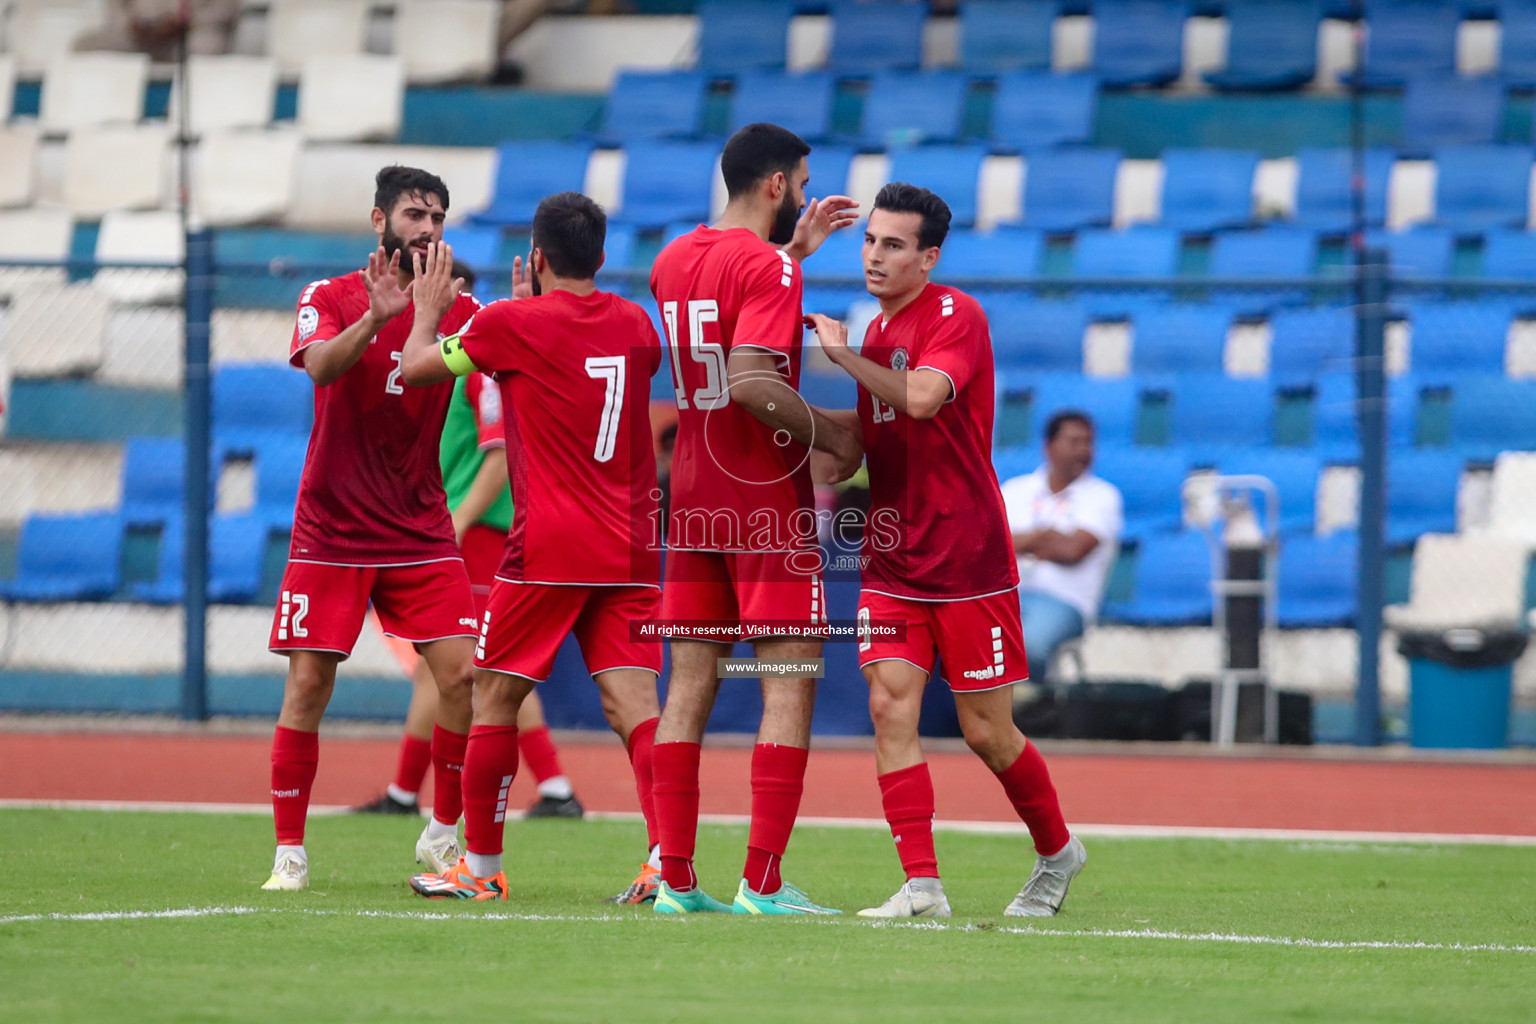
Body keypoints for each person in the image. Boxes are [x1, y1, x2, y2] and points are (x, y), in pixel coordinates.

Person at [806, 182, 1085, 920]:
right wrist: (792, 418)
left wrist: (838, 360)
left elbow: (923, 399)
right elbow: (872, 440)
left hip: (967, 562)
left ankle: (1058, 852)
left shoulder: (958, 315)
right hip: (895, 563)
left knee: (986, 732)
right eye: (869, 240)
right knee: (888, 706)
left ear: (928, 258)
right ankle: (922, 884)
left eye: (893, 245)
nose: (874, 255)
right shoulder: (870, 340)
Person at [399, 192, 665, 902]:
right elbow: (574, 373)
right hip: (632, 544)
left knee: (496, 697)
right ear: (603, 257)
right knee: (636, 706)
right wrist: (526, 319)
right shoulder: (637, 323)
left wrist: (431, 309)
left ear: (538, 257)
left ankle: (480, 871)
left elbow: (417, 367)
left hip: (549, 545)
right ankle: (668, 863)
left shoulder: (509, 325)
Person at [647, 122, 862, 916]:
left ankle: (675, 880)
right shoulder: (767, 266)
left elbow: (719, 319)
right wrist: (834, 434)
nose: (804, 196)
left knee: (689, 685)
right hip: (762, 499)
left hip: (695, 492)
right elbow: (747, 378)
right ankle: (763, 885)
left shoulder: (674, 258)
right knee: (790, 680)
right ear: (777, 184)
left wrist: (794, 254)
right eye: (801, 183)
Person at [261, 166, 484, 892]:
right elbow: (321, 369)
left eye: (439, 218)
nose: (428, 228)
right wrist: (376, 317)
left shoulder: (464, 308)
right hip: (332, 531)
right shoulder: (328, 297)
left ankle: (441, 832)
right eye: (415, 214)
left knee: (463, 676)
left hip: (420, 530)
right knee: (309, 687)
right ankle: (289, 852)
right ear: (378, 219)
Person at [355, 261, 584, 822]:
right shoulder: (445, 358)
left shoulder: (475, 357)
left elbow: (498, 459)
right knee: (465, 666)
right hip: (467, 528)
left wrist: (452, 529)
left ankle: (547, 788)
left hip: (480, 533)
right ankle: (412, 793)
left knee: (474, 668)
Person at [999, 411, 1123, 686]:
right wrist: (1043, 537)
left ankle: (1028, 715)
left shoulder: (1103, 496)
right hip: (1006, 595)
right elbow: (989, 547)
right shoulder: (1015, 490)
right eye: (1075, 442)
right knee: (962, 637)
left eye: (1089, 443)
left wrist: (1020, 543)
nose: (1084, 450)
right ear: (1048, 446)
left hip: (1065, 602)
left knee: (1029, 645)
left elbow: (1072, 551)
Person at [76, 0, 238, 61]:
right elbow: (115, 8)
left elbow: (226, 9)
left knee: (208, 49)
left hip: (187, 37)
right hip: (138, 37)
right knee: (84, 45)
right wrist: (131, 25)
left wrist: (186, 23)